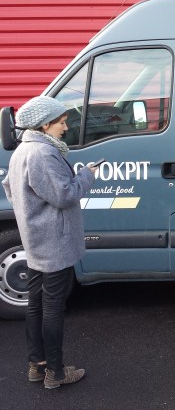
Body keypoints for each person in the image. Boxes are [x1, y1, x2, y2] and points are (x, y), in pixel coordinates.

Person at [1, 96, 98, 389]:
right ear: (45, 124)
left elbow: (9, 190)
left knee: (37, 304)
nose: (66, 127)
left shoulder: (22, 151)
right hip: (53, 242)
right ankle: (55, 373)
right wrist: (87, 176)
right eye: (62, 121)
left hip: (35, 241)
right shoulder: (42, 154)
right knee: (52, 307)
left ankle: (37, 365)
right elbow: (64, 195)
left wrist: (31, 215)